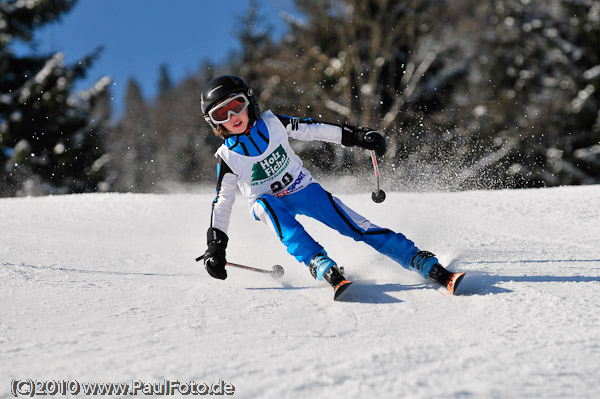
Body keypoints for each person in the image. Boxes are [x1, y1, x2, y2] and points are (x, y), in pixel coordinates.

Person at [200, 75, 462, 293]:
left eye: (237, 105)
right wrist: (216, 245)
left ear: (250, 102)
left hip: (302, 188)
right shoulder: (228, 158)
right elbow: (222, 201)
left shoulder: (273, 123)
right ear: (215, 123)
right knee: (268, 207)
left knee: (354, 225)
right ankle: (318, 261)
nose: (233, 116)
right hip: (267, 201)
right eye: (222, 113)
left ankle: (415, 258)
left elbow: (313, 129)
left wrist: (358, 137)